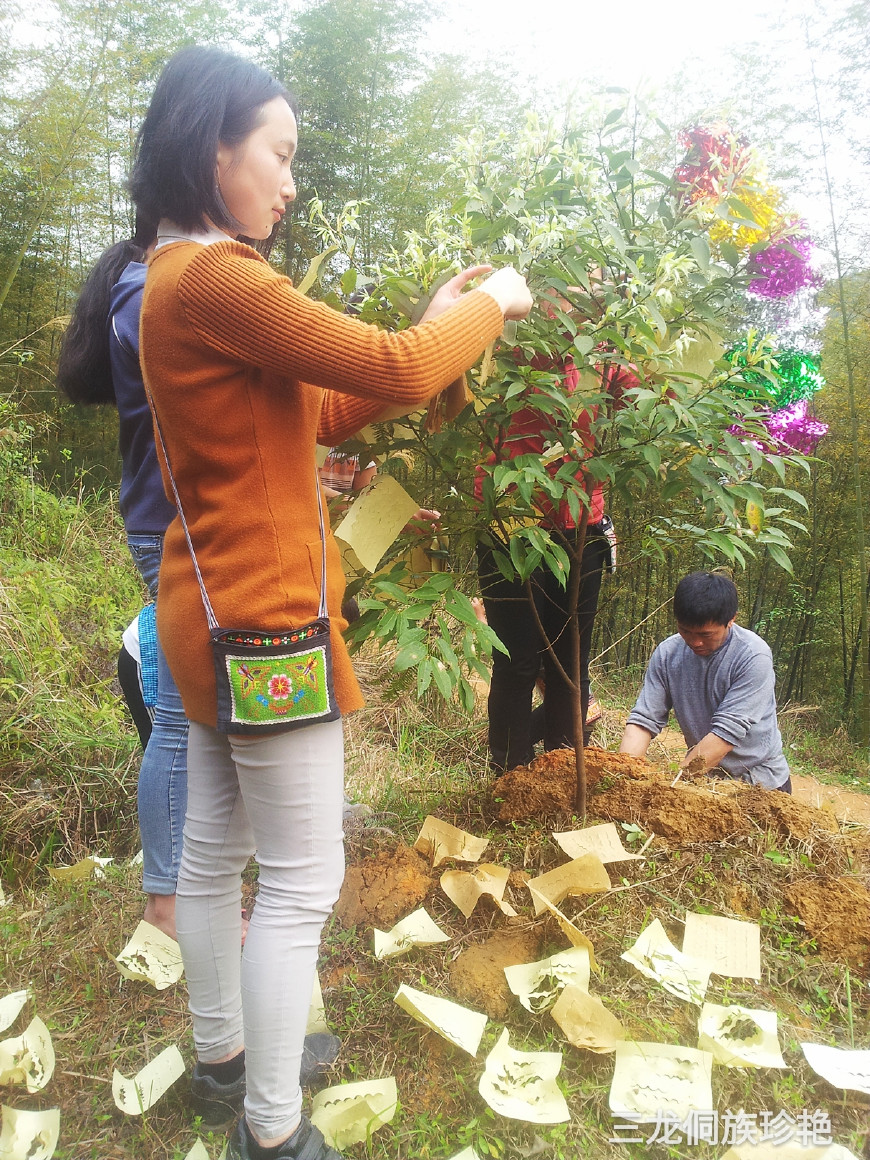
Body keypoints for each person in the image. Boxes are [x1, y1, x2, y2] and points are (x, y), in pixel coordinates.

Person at [129, 45, 532, 1160]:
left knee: (214, 857)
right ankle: (271, 1128)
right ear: (213, 147)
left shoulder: (179, 281)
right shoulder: (217, 278)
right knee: (303, 879)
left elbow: (323, 410)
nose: (290, 181)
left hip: (206, 608)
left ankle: (224, 1062)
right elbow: (400, 368)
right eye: (280, 153)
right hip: (268, 622)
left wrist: (427, 333)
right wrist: (489, 307)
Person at [57, 231, 188, 940]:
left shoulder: (144, 286)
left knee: (190, 718)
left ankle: (179, 892)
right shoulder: (152, 289)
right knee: (182, 721)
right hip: (176, 526)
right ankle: (167, 905)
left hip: (169, 522)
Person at [475, 311, 633, 774]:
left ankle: (563, 771)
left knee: (571, 662)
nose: (582, 302)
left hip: (582, 524)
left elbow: (647, 401)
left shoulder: (603, 358)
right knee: (516, 659)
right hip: (511, 526)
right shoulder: (503, 348)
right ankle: (511, 776)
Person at [619, 570, 792, 792]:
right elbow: (644, 720)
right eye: (685, 631)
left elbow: (725, 734)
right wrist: (622, 773)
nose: (695, 642)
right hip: (705, 780)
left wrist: (673, 788)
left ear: (731, 620)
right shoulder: (668, 654)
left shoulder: (752, 656)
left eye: (706, 634)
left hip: (760, 784)